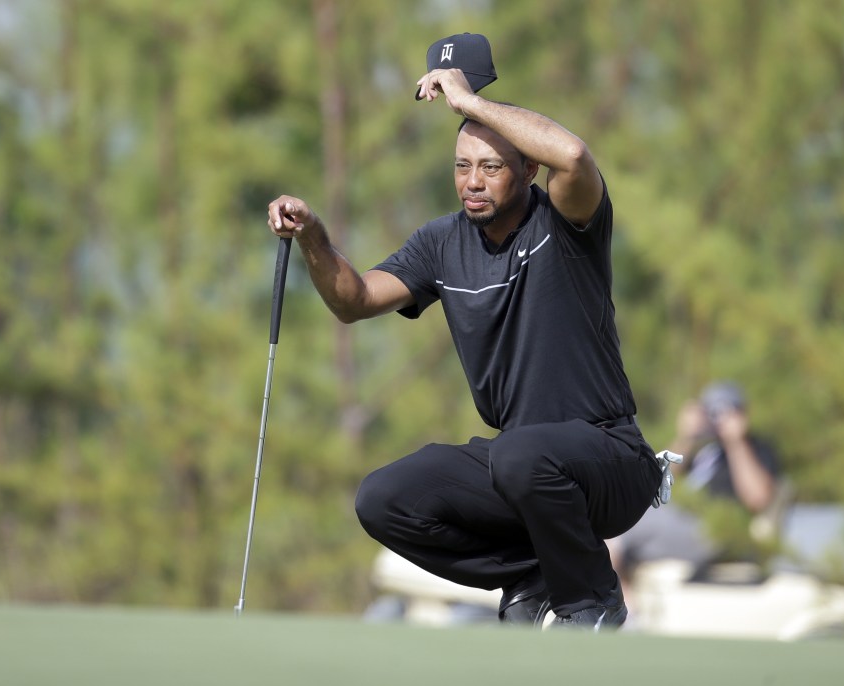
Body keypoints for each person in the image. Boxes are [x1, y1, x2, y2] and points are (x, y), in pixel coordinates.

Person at [266, 64, 662, 631]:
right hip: (522, 468)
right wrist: (312, 235)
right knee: (385, 498)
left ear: (527, 170)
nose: (473, 181)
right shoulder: (440, 243)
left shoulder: (566, 221)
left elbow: (573, 156)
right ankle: (534, 572)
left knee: (523, 455)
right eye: (462, 167)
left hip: (610, 459)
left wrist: (468, 104)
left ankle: (591, 599)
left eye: (491, 167)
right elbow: (353, 300)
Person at [607, 381, 781, 582]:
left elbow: (758, 498)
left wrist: (736, 442)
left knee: (622, 521)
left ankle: (625, 604)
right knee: (616, 516)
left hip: (715, 532)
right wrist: (686, 437)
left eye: (724, 410)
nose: (717, 418)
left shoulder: (756, 448)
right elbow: (652, 482)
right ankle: (626, 603)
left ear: (741, 414)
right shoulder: (705, 450)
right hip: (677, 522)